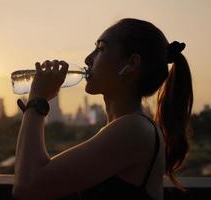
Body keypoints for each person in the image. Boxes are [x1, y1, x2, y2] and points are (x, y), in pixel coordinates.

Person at [12, 18, 193, 200]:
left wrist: (37, 101)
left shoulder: (134, 130)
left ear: (131, 64)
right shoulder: (124, 128)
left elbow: (28, 186)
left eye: (100, 49)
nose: (88, 59)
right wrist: (35, 106)